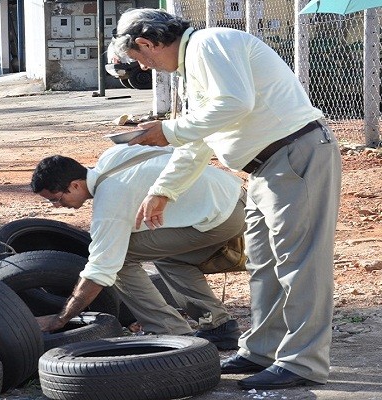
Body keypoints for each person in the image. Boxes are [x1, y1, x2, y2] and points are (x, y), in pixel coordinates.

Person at [111, 8, 341, 390]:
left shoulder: (209, 44)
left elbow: (235, 104)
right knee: (265, 264)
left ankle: (303, 362)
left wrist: (168, 130)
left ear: (147, 43)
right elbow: (197, 140)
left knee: (301, 264)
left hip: (296, 156)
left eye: (141, 59)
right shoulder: (195, 64)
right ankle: (262, 351)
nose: (148, 67)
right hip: (269, 167)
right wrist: (163, 190)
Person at [31, 144, 245, 350]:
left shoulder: (109, 204)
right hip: (236, 195)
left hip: (221, 217)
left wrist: (61, 318)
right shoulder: (113, 155)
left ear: (75, 185)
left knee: (120, 255)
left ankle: (171, 333)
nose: (57, 206)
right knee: (167, 257)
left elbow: (100, 270)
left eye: (56, 199)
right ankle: (218, 325)